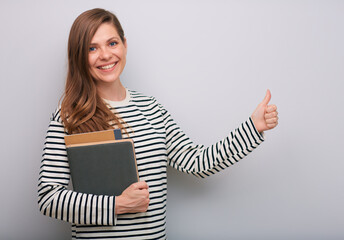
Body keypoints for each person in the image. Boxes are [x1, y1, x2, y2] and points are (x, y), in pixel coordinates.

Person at [38, 8, 278, 240]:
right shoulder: (69, 116)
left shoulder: (151, 108)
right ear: (79, 55)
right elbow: (49, 198)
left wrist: (253, 127)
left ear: (124, 45)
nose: (105, 55)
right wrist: (117, 205)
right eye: (92, 48)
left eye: (112, 43)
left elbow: (198, 162)